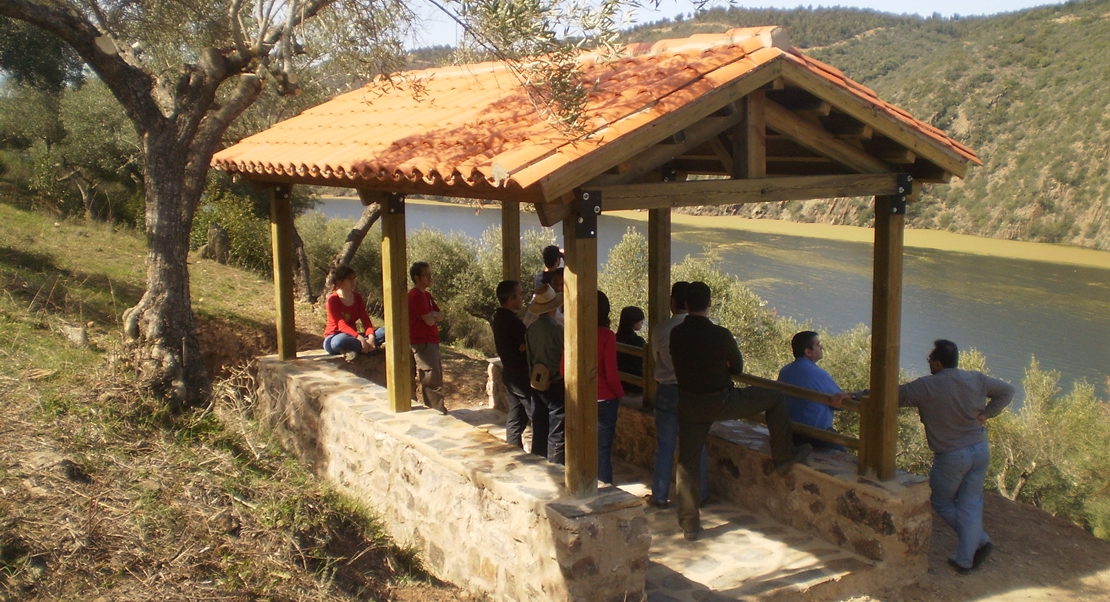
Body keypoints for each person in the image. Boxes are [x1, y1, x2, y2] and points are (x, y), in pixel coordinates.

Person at [857, 339, 1013, 575]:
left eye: (930, 360)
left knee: (940, 501)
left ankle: (978, 541)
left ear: (938, 363)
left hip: (952, 456)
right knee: (971, 502)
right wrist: (987, 414)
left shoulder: (925, 387)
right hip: (980, 449)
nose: (929, 364)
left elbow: (886, 395)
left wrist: (852, 395)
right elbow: (1008, 391)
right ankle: (965, 557)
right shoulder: (976, 379)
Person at [669, 281, 810, 540]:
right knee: (775, 398)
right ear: (710, 303)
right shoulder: (721, 334)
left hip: (689, 403)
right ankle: (783, 456)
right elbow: (737, 367)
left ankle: (689, 524)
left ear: (685, 305)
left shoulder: (676, 334)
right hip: (722, 401)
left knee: (687, 464)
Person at [649, 282, 708, 509]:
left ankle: (660, 495)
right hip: (693, 391)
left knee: (664, 446)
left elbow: (657, 359)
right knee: (696, 445)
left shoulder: (661, 330)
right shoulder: (704, 328)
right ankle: (700, 494)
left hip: (666, 390)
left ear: (673, 302)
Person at [777, 331, 847, 451]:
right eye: (818, 344)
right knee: (845, 456)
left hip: (789, 431)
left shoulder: (785, 371)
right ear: (808, 352)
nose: (821, 347)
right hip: (816, 436)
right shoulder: (817, 374)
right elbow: (840, 404)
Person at [491, 280, 533, 451]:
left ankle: (513, 451)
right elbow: (528, 339)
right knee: (536, 416)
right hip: (520, 375)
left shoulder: (499, 317)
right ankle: (540, 455)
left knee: (516, 418)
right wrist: (527, 345)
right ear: (510, 299)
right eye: (520, 294)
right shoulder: (511, 321)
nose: (523, 297)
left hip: (510, 373)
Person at [525, 284, 563, 463]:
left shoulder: (531, 330)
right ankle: (555, 469)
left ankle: (536, 464)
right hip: (556, 383)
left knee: (539, 430)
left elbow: (530, 358)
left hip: (536, 383)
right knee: (556, 433)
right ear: (554, 307)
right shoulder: (559, 331)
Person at [322, 265, 385, 361]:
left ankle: (362, 347)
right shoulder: (333, 300)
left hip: (354, 336)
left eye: (354, 278)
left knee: (386, 331)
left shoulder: (357, 297)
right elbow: (341, 325)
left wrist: (371, 337)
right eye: (349, 279)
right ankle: (369, 348)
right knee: (339, 341)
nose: (353, 282)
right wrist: (360, 338)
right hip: (334, 337)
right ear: (339, 281)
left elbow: (365, 319)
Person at [408, 261, 446, 414]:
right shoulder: (415, 296)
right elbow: (430, 320)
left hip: (431, 342)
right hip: (422, 343)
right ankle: (436, 412)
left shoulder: (427, 295)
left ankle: (437, 410)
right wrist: (433, 316)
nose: (430, 278)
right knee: (431, 380)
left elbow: (440, 315)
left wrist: (433, 315)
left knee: (436, 377)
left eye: (431, 274)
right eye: (426, 275)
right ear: (417, 277)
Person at [596, 291, 624, 485]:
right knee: (603, 449)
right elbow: (611, 373)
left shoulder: (573, 331)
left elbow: (564, 369)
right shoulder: (607, 335)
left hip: (580, 397)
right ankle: (605, 488)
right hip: (605, 398)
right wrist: (619, 393)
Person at [615, 306, 646, 394]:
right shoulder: (638, 341)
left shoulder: (615, 338)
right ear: (634, 322)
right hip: (637, 385)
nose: (642, 322)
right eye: (640, 320)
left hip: (620, 382)